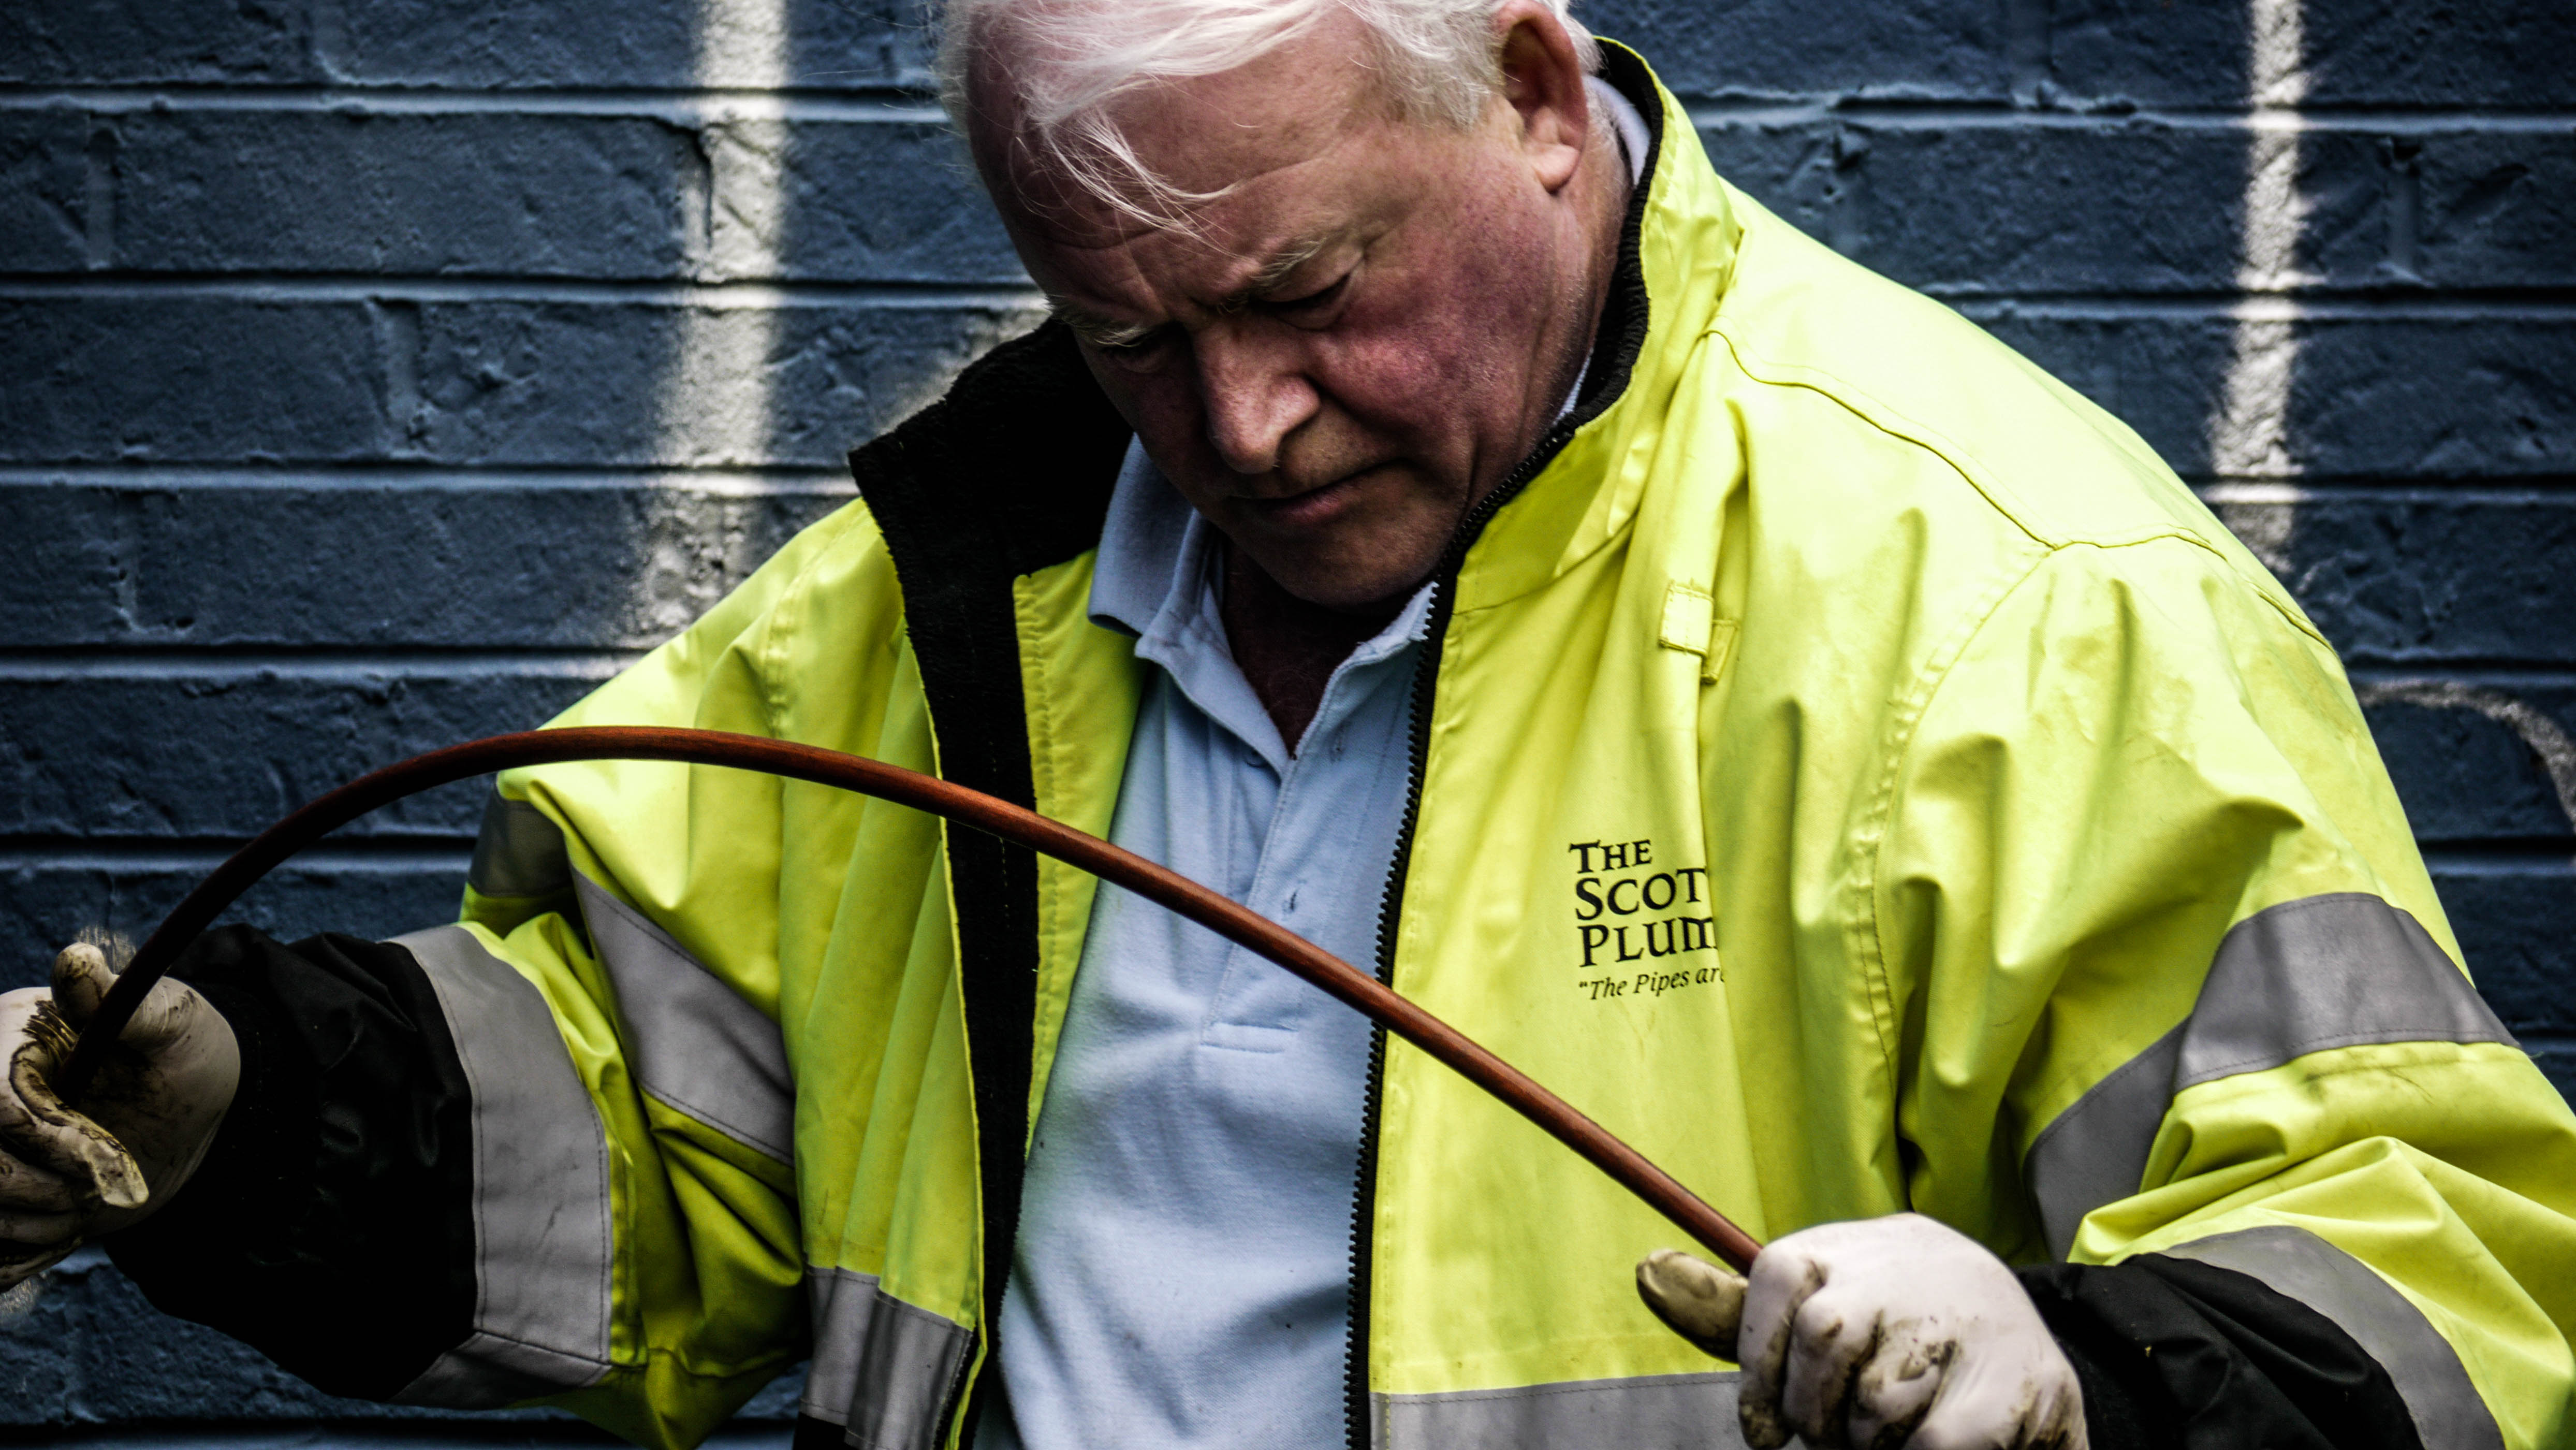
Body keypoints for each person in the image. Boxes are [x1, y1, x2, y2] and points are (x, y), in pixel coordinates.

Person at [4, 2, 2571, 1447]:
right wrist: (230, 1111)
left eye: (1316, 286)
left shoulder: (2000, 591)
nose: (1240, 427)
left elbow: (2443, 1264)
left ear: (1541, 101)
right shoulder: (940, 598)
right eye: (1132, 330)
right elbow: (659, 1157)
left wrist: (2087, 1376)